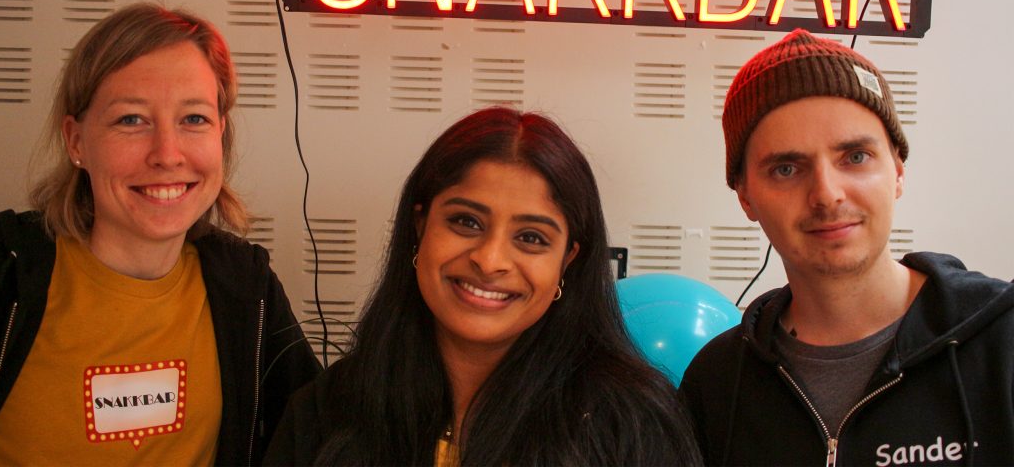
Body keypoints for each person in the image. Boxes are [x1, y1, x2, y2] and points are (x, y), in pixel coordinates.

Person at [264, 107, 702, 466]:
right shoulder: (325, 412)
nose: (490, 260)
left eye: (531, 237)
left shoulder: (631, 425)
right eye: (466, 222)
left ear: (567, 260)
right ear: (420, 226)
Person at [0, 2, 321, 464]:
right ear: (76, 141)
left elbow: (322, 434)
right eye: (131, 120)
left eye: (194, 119)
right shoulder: (2, 271)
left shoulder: (247, 286)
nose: (167, 154)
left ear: (220, 133)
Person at [681, 29, 1014, 466]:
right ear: (745, 196)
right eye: (786, 168)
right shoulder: (717, 383)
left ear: (897, 171)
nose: (827, 194)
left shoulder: (1002, 339)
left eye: (855, 157)